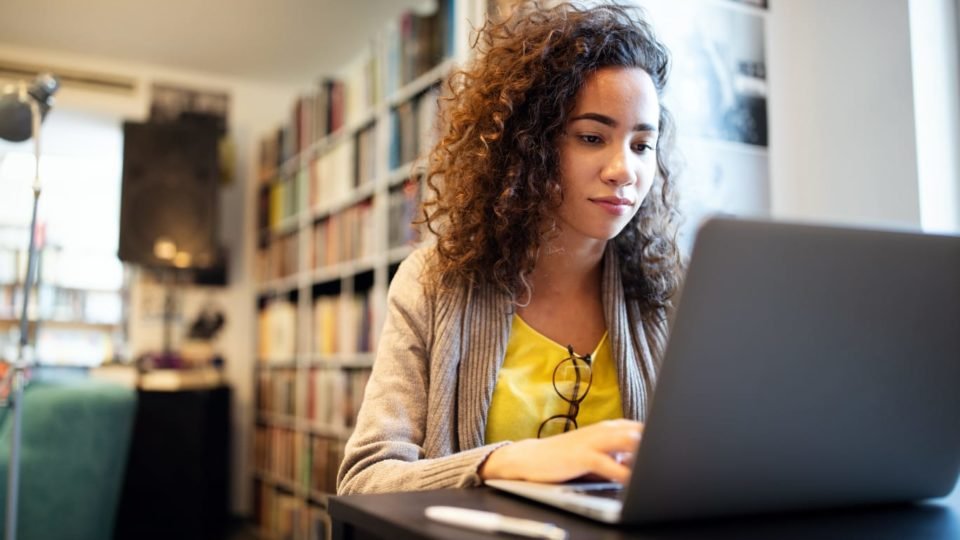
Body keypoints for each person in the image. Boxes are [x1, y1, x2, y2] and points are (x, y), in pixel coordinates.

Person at [337, 0, 682, 495]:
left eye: (641, 145)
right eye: (591, 136)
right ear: (529, 145)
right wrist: (508, 462)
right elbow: (363, 479)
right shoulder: (433, 282)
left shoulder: (670, 294)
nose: (624, 170)